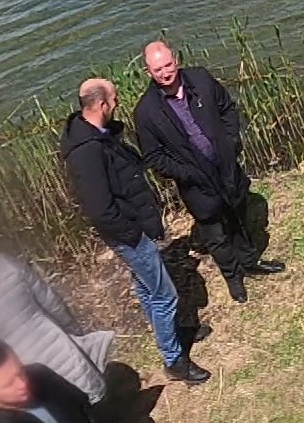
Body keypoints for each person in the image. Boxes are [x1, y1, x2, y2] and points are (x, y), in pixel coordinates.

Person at [62, 76, 210, 385]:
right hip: (128, 235)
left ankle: (175, 333)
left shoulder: (99, 135)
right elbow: (100, 208)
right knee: (164, 295)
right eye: (114, 99)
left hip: (133, 228)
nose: (117, 104)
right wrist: (133, 235)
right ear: (101, 104)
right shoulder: (86, 152)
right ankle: (174, 360)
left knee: (147, 288)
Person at [133, 42, 285, 306]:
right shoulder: (146, 112)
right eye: (158, 70)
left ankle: (250, 262)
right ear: (148, 72)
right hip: (196, 184)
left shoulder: (200, 79)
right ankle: (233, 276)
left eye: (168, 65)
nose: (165, 73)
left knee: (239, 215)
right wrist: (186, 173)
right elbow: (154, 157)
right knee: (215, 235)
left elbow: (227, 108)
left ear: (176, 60)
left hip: (226, 168)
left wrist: (231, 141)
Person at [0, 237, 114, 405]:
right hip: (66, 359)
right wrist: (75, 335)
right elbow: (51, 302)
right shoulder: (2, 264)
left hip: (24, 385)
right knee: (105, 409)